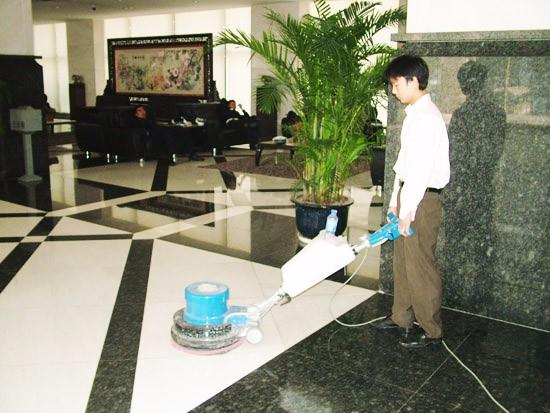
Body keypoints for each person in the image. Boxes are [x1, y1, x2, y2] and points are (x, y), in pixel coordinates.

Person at [373, 55, 450, 349]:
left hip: (422, 200)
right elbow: (403, 166)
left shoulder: (428, 118)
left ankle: (431, 330)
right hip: (410, 196)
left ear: (413, 81)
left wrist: (407, 211)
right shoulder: (414, 115)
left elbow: (420, 171)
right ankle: (401, 318)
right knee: (403, 263)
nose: (393, 91)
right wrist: (395, 202)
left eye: (396, 84)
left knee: (421, 266)